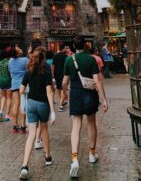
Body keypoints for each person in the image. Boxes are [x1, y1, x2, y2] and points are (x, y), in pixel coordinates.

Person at [63, 37, 108, 178]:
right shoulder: (91, 59)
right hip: (90, 94)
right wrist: (104, 99)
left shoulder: (69, 60)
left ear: (74, 47)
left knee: (76, 126)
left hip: (75, 94)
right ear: (85, 45)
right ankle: (92, 154)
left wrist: (64, 93)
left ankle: (75, 159)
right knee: (91, 123)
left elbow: (64, 82)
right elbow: (97, 80)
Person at [19, 47, 55, 180]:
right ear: (43, 58)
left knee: (31, 134)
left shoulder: (28, 71)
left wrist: (29, 89)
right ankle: (48, 157)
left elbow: (21, 90)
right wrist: (52, 110)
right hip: (43, 104)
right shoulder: (46, 71)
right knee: (44, 129)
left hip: (31, 104)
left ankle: (24, 165)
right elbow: (49, 91)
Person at [8, 46, 28, 133]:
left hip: (14, 83)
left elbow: (10, 72)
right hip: (23, 84)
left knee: (16, 104)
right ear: (17, 53)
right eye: (19, 49)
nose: (20, 49)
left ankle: (15, 125)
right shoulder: (25, 60)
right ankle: (23, 126)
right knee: (23, 104)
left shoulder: (10, 61)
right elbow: (28, 71)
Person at [52, 44, 68, 112]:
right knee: (62, 89)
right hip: (63, 74)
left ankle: (62, 101)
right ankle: (60, 105)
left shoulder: (55, 55)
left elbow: (53, 65)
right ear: (63, 49)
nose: (67, 49)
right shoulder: (66, 56)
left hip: (56, 74)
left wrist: (53, 74)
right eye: (66, 48)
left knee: (59, 88)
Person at [0, 48, 12, 122]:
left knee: (3, 97)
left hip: (1, 80)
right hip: (8, 80)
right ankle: (7, 115)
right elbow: (10, 72)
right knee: (9, 98)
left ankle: (0, 112)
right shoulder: (9, 62)